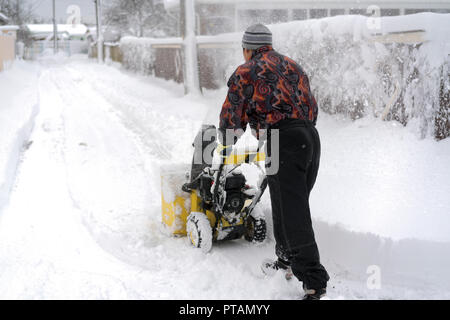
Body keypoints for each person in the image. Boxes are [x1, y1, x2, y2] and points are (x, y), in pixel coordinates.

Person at [217, 23, 329, 300]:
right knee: (286, 203)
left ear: (247, 49)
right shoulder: (293, 66)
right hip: (310, 137)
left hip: (282, 140)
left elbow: (233, 116)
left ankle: (314, 281)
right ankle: (286, 261)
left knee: (292, 211)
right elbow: (310, 106)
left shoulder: (246, 70)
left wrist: (226, 143)